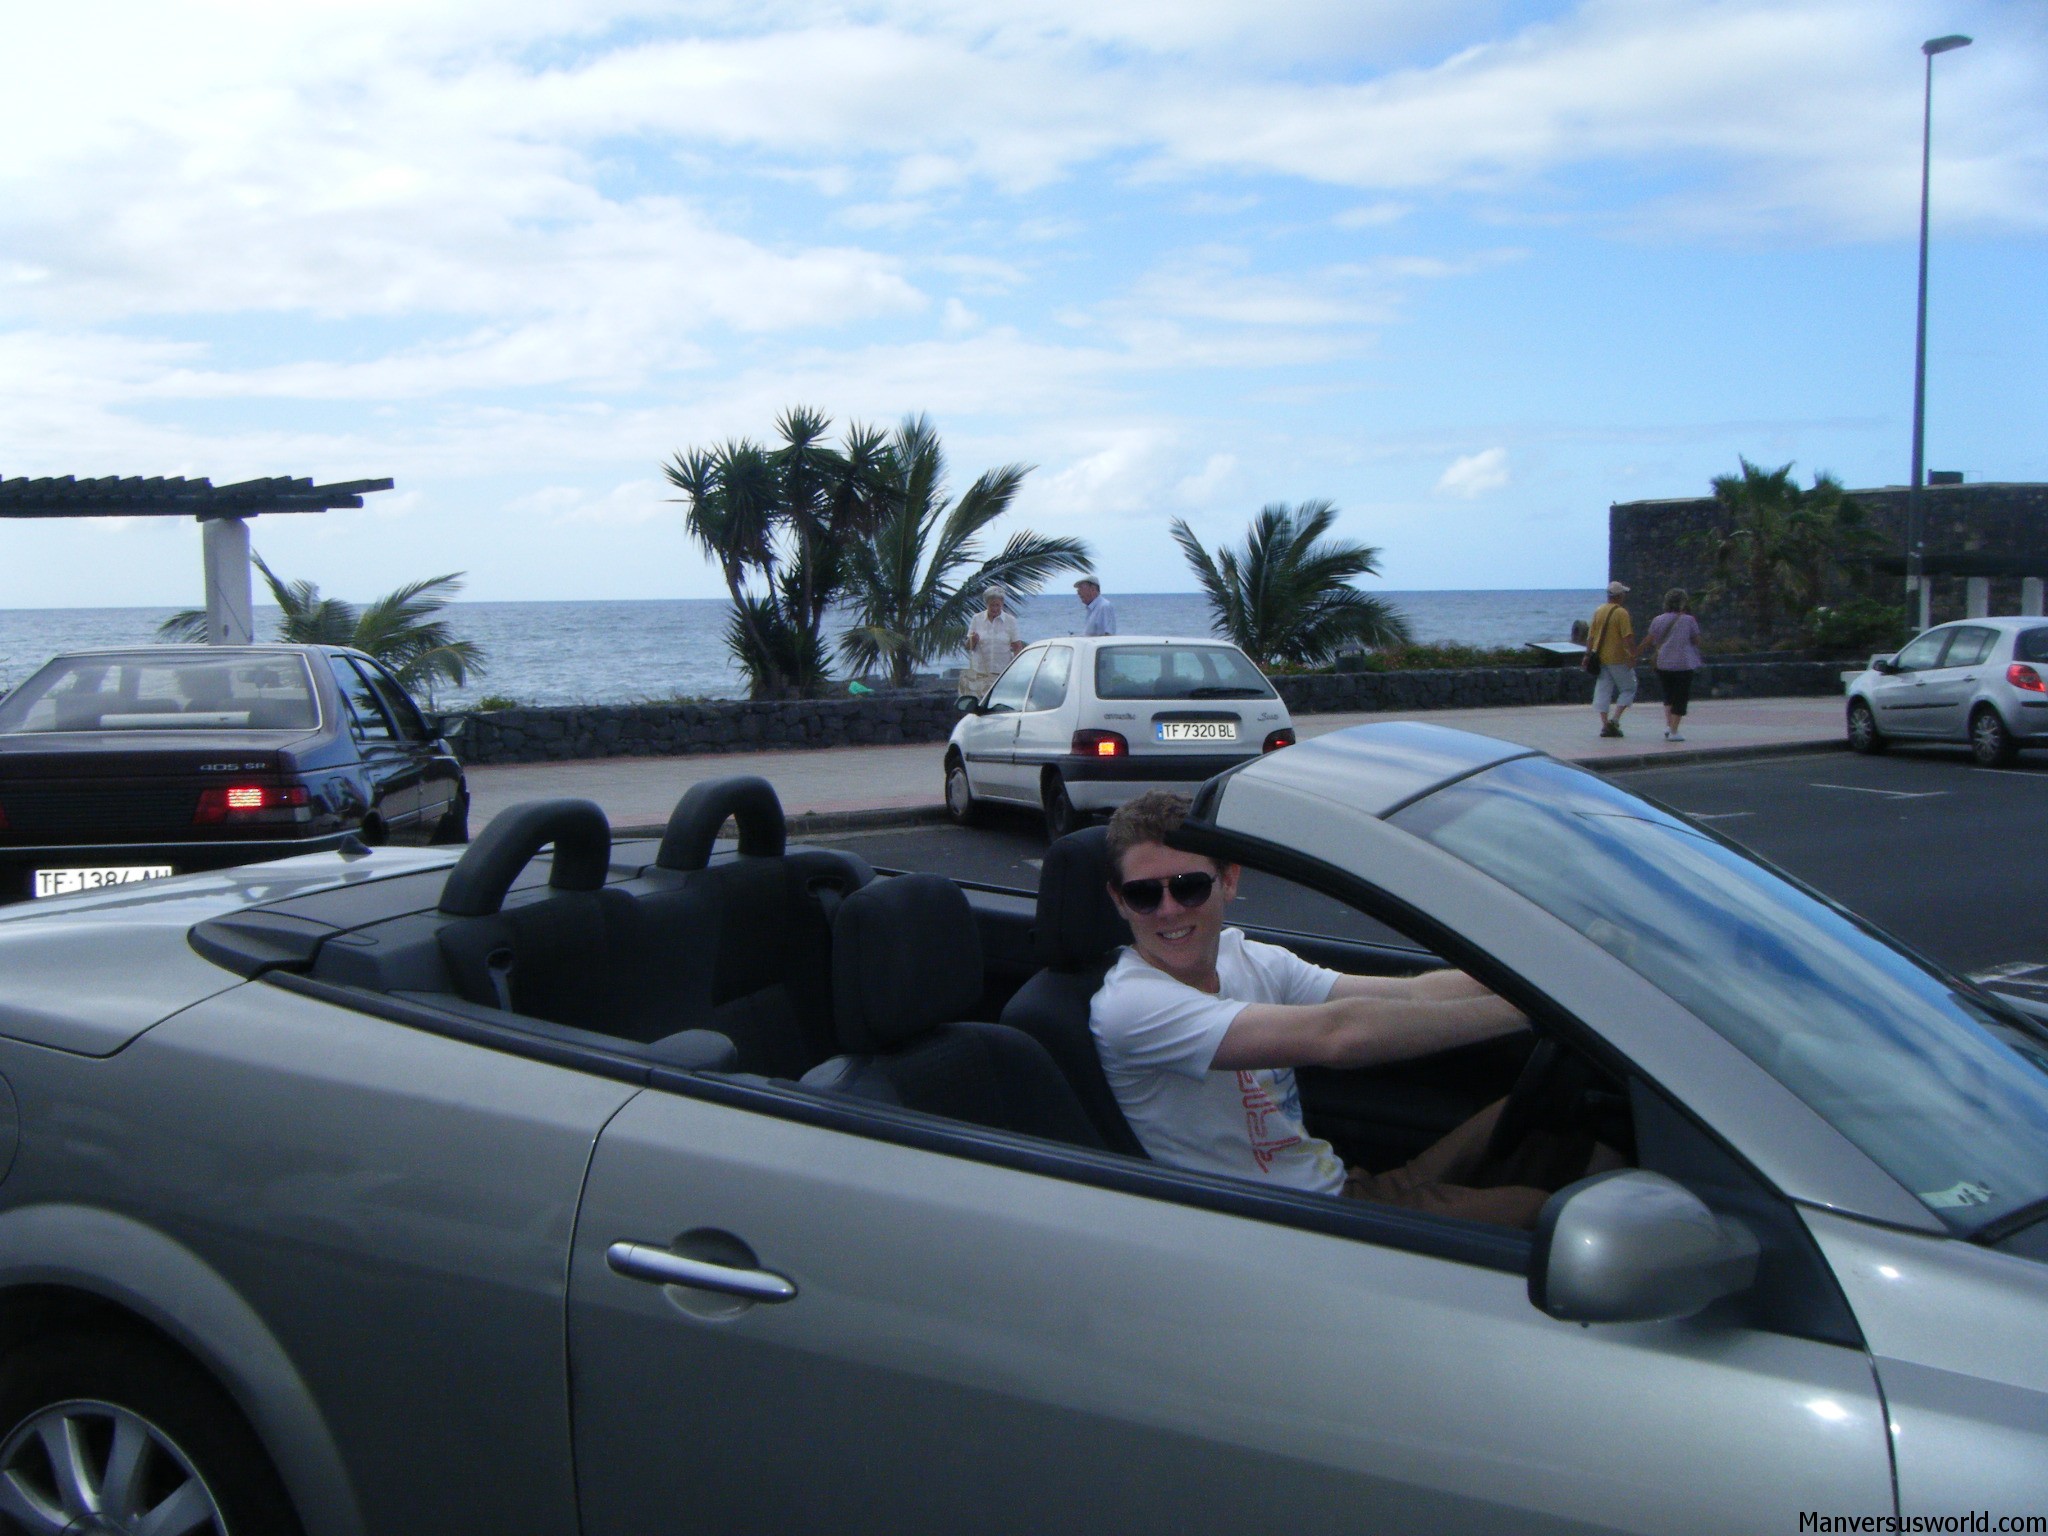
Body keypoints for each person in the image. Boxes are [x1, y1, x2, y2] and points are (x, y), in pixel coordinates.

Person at [1089, 790, 1603, 1229]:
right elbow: (1337, 1035)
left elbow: (1414, 996)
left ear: (1228, 880)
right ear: (1117, 900)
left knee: (1571, 1121)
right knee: (1547, 1215)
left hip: (1342, 1191)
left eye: (1189, 886)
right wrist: (1534, 1016)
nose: (1170, 910)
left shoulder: (1246, 957)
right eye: (1143, 895)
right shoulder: (1131, 1004)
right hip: (1294, 1226)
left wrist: (1545, 982)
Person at [1639, 588, 1703, 743]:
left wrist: (1636, 653)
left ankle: (1669, 726)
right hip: (1683, 663)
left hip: (1663, 663)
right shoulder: (1689, 620)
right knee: (1681, 696)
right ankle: (1674, 731)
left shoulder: (1658, 620)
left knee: (1668, 695)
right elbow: (1696, 641)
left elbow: (1649, 640)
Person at [1587, 581, 1636, 738]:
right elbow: (1627, 637)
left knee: (1603, 690)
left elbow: (1591, 636)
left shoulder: (1599, 611)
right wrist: (1633, 655)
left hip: (1600, 657)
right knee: (1629, 688)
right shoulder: (1621, 613)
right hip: (1618, 657)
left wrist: (1587, 655)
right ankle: (1615, 720)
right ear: (1620, 596)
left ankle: (1605, 724)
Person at [960, 589, 1022, 699]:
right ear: (986, 604)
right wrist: (973, 639)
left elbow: (1017, 647)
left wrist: (1014, 668)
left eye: (998, 605)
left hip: (1002, 673)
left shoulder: (1010, 621)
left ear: (1002, 604)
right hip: (980, 673)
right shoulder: (977, 619)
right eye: (992, 605)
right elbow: (968, 646)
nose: (995, 609)